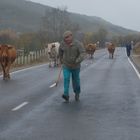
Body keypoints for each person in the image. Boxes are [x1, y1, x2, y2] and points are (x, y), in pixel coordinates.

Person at [59, 30, 86, 102]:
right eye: (65, 38)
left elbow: (83, 53)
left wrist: (77, 60)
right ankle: (66, 95)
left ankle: (77, 93)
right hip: (66, 65)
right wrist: (61, 60)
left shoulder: (78, 44)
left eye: (67, 37)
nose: (66, 39)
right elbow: (60, 51)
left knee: (76, 81)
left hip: (75, 66)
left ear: (71, 36)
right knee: (66, 78)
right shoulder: (63, 44)